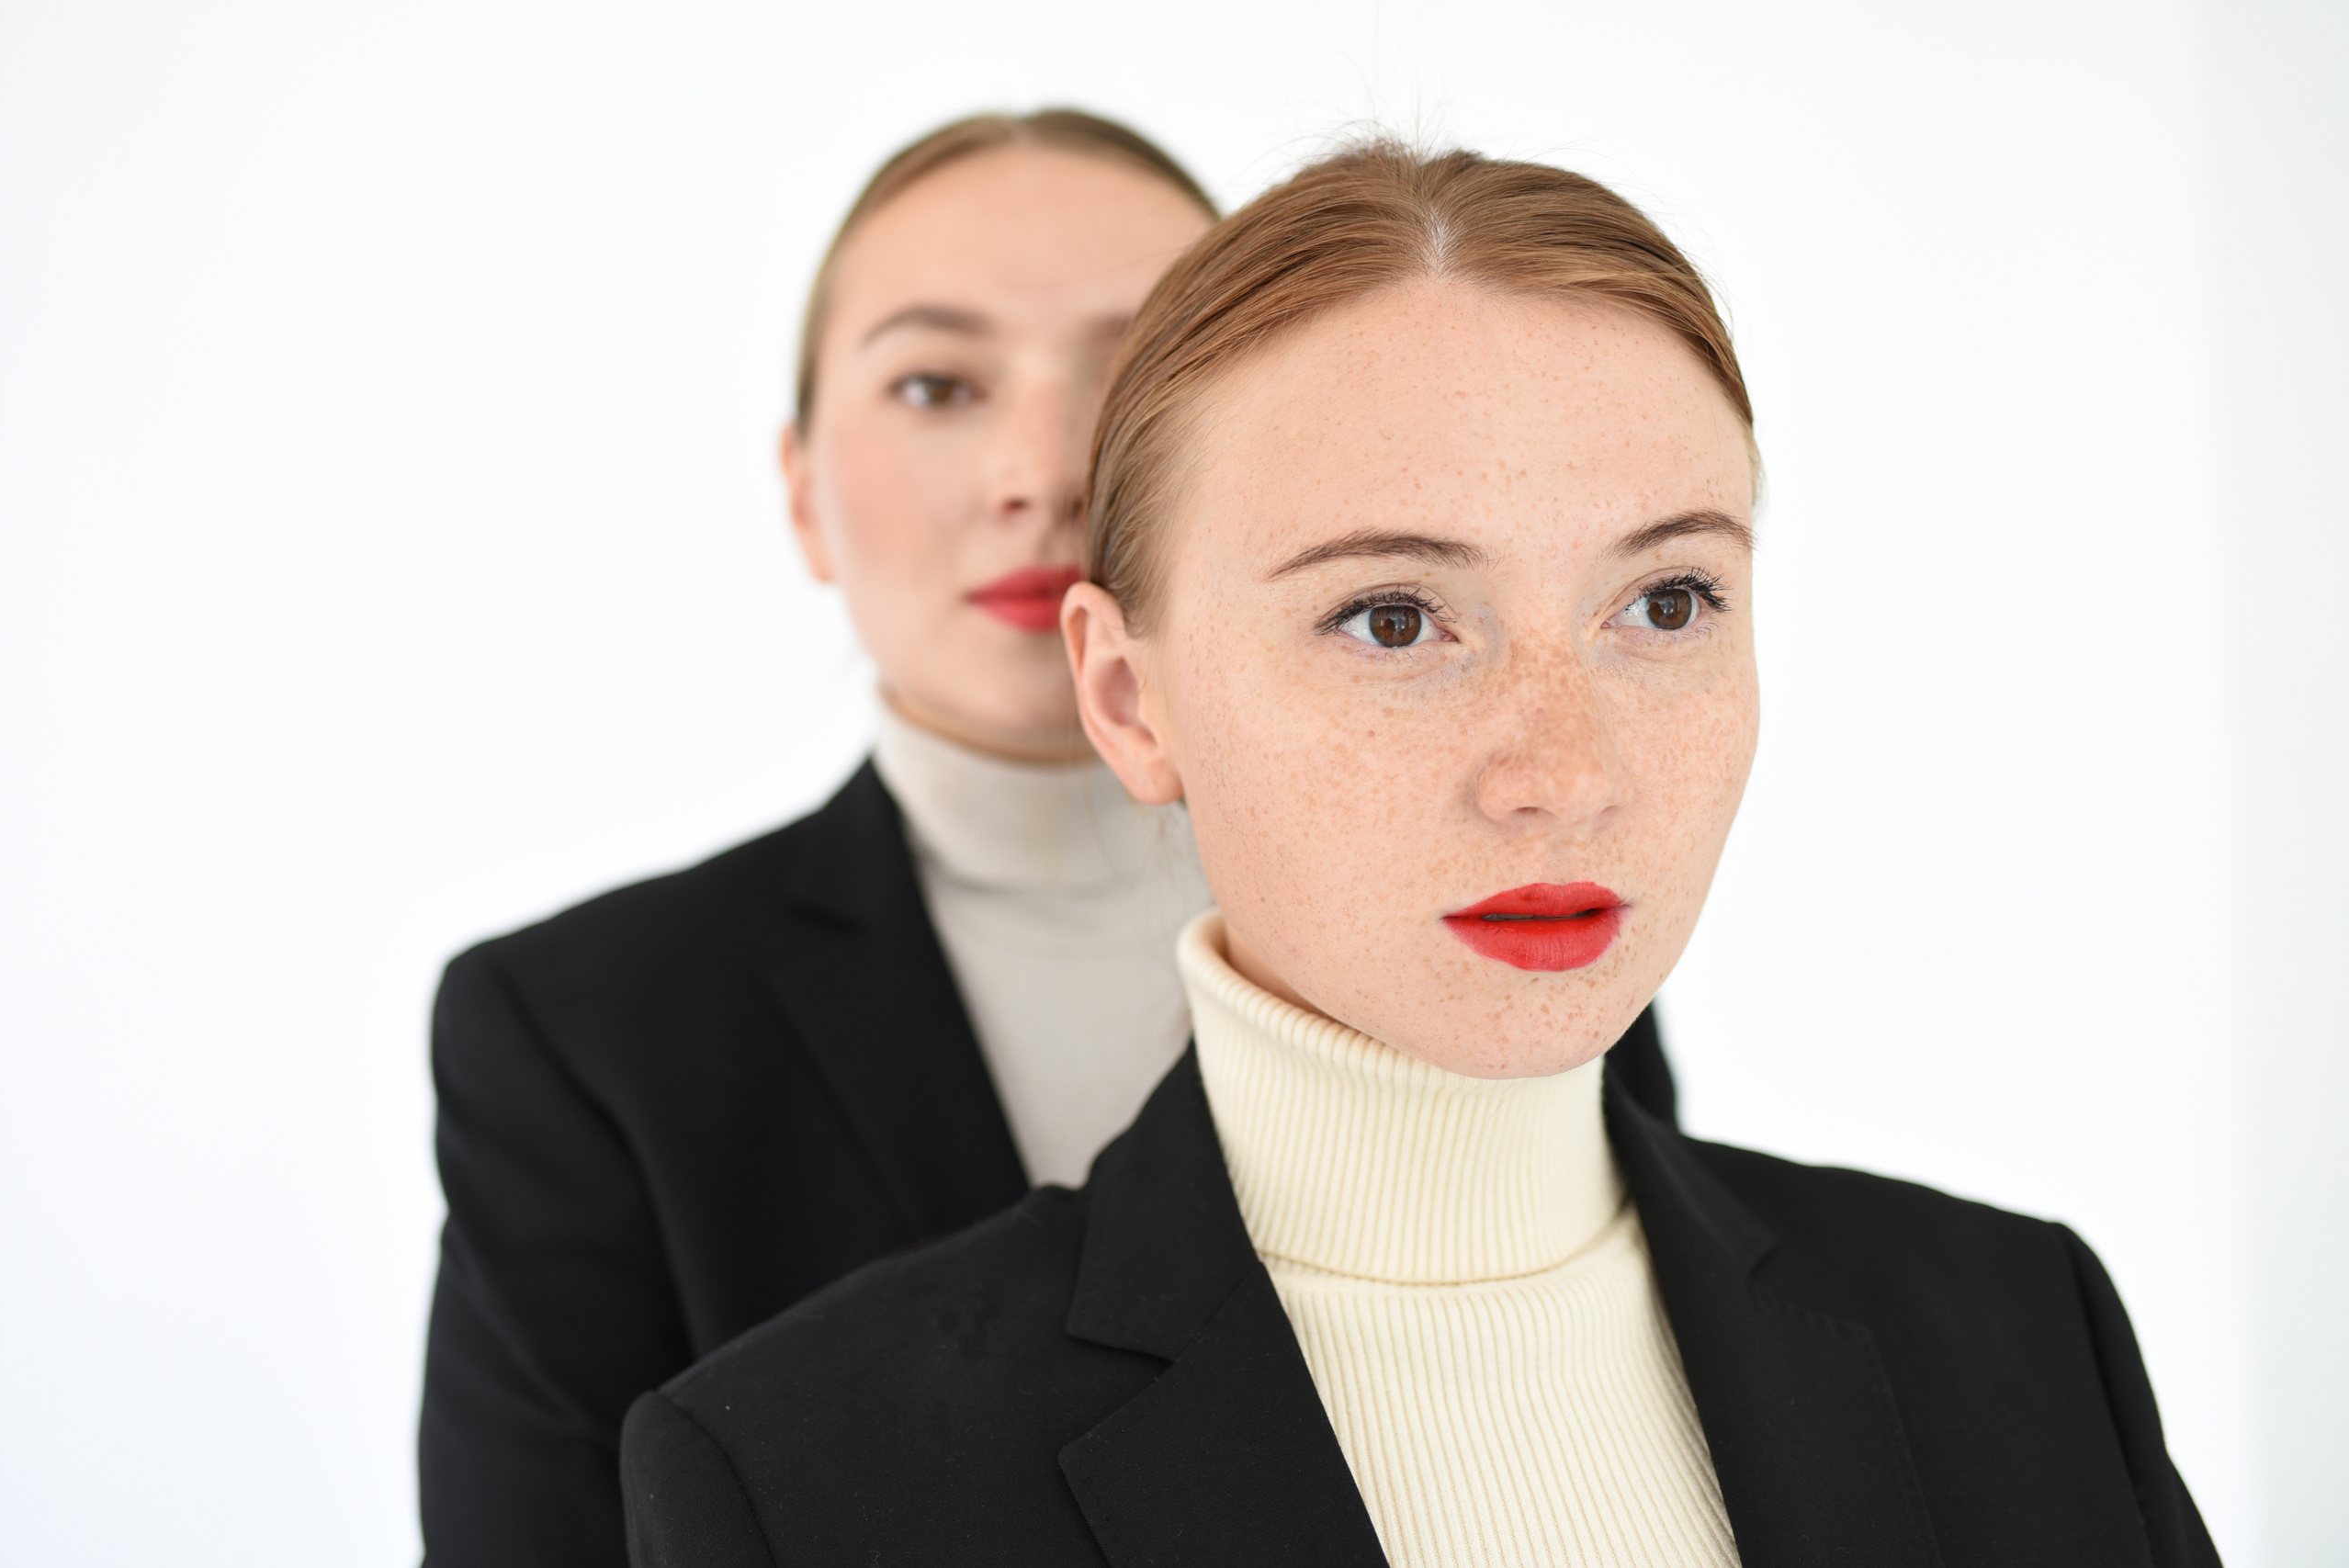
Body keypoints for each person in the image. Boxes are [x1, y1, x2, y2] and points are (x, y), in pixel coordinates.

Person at [617, 143, 2219, 1566]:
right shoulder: (807, 1476)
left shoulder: (2022, 1329)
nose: (1566, 773)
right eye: (1392, 619)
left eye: (1666, 603)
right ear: (1127, 694)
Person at [417, 108, 1694, 1566]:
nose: (1046, 467)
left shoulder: (1507, 900)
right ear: (800, 494)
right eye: (936, 383)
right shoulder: (589, 1026)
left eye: (1134, 362)